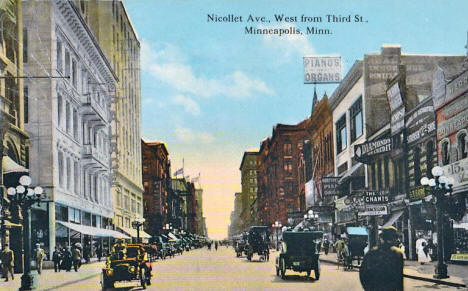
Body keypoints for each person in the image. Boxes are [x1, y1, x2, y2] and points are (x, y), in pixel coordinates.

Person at [359, 226, 404, 291]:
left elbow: (363, 273)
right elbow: (399, 277)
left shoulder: (371, 252)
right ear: (394, 238)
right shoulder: (397, 253)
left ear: (381, 238)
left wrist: (368, 288)